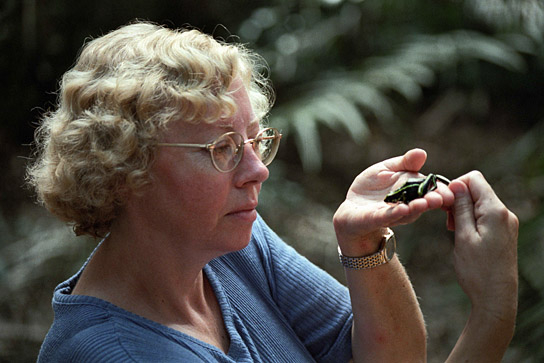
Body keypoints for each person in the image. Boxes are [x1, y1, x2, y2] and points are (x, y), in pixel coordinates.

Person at [27, 21, 518, 362]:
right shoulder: (120, 354)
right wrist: (493, 314)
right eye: (222, 148)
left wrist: (364, 243)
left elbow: (389, 356)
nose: (257, 170)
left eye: (256, 139)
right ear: (124, 170)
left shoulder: (227, 245)